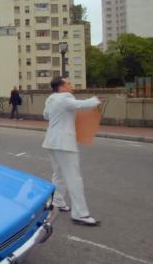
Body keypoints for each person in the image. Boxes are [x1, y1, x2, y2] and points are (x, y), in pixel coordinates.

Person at [42, 76, 101, 226]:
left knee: (58, 174)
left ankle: (58, 202)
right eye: (68, 84)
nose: (71, 86)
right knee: (74, 177)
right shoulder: (64, 98)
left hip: (51, 141)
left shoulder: (51, 99)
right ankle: (80, 214)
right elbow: (83, 105)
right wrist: (96, 99)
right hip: (64, 142)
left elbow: (46, 115)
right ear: (61, 88)